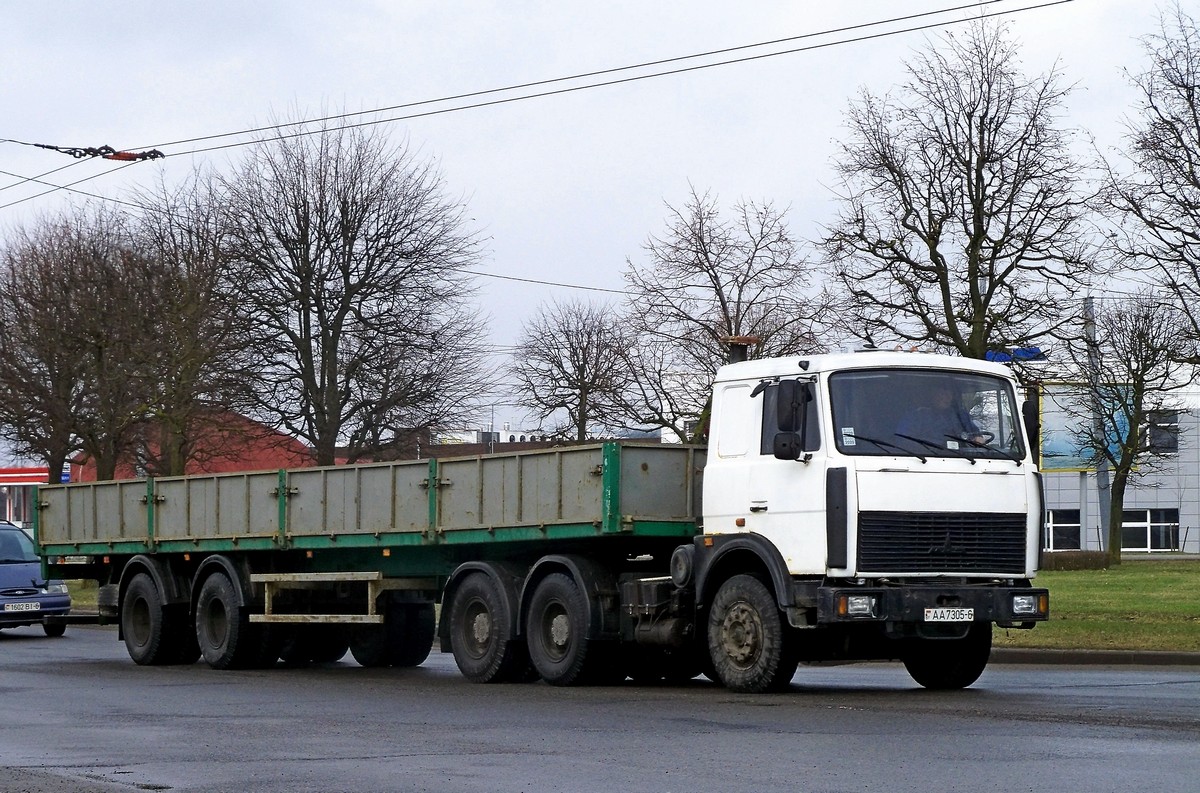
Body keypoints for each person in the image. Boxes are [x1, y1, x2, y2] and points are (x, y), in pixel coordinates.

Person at [897, 382, 985, 445]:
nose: (946, 397)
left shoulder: (960, 416)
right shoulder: (918, 415)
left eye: (949, 394)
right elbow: (903, 441)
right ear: (932, 394)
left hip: (962, 459)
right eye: (942, 393)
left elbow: (975, 434)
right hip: (926, 458)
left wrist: (978, 439)